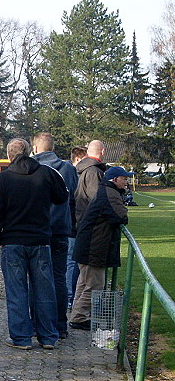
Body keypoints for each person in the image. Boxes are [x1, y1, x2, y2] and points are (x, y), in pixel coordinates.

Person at [0, 138, 68, 350]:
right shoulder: (47, 173)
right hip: (40, 240)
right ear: (31, 152)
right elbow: (62, 196)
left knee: (17, 290)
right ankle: (48, 336)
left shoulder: (4, 179)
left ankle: (21, 337)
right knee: (44, 289)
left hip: (12, 241)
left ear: (9, 156)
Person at [69, 166, 132, 331]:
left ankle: (78, 316)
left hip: (88, 245)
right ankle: (79, 318)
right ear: (115, 180)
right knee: (94, 285)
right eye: (124, 179)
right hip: (93, 247)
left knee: (84, 284)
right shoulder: (109, 193)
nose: (127, 182)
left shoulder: (105, 191)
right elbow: (120, 216)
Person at [32, 132, 79, 339]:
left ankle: (37, 324)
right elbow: (74, 196)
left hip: (38, 229)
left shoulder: (31, 167)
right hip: (61, 229)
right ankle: (60, 325)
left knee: (36, 278)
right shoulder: (68, 169)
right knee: (59, 278)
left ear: (35, 148)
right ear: (53, 148)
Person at [66, 146, 88, 308]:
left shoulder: (72, 174)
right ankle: (69, 297)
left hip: (71, 225)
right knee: (71, 262)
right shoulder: (74, 176)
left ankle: (70, 296)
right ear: (79, 159)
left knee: (71, 262)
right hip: (72, 227)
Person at [74, 140, 107, 225]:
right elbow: (96, 199)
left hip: (82, 218)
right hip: (91, 223)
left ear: (88, 152)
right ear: (103, 152)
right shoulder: (94, 171)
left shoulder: (82, 169)